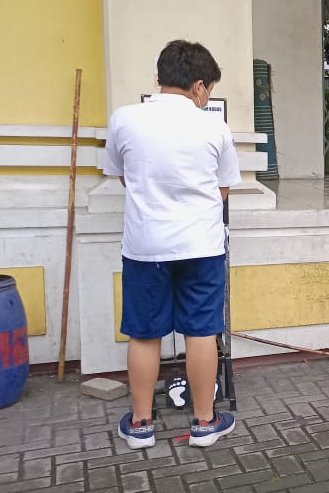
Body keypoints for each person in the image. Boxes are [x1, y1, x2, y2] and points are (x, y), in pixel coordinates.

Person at [103, 40, 241, 448]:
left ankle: (141, 425)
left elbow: (124, 176)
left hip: (146, 246)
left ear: (158, 78)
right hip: (201, 245)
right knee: (201, 331)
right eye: (209, 89)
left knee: (145, 334)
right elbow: (223, 190)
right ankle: (204, 422)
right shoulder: (214, 127)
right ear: (199, 86)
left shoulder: (125, 119)